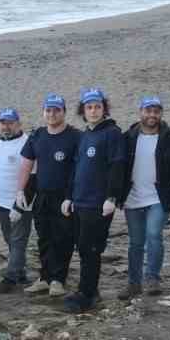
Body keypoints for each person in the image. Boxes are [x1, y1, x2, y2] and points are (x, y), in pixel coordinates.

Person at [62, 88, 128, 313]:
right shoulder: (85, 135)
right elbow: (76, 168)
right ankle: (89, 287)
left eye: (97, 107)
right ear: (83, 110)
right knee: (82, 246)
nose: (93, 111)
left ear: (104, 109)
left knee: (91, 248)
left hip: (98, 203)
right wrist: (69, 196)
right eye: (89, 107)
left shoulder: (112, 133)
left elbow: (117, 166)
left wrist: (112, 196)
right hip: (80, 201)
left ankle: (87, 294)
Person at [121, 95, 170, 298]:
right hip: (133, 197)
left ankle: (152, 277)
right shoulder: (128, 137)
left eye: (156, 111)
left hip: (159, 197)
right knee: (135, 242)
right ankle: (134, 282)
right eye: (148, 110)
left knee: (153, 236)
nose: (152, 115)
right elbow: (117, 167)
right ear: (141, 112)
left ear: (161, 114)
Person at [18, 94, 81, 296]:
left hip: (65, 196)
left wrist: (72, 196)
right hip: (42, 195)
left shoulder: (75, 136)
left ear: (64, 112)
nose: (52, 114)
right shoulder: (37, 135)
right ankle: (44, 277)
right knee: (44, 237)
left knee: (63, 238)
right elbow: (26, 165)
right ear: (44, 112)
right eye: (48, 110)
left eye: (56, 110)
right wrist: (20, 190)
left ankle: (58, 279)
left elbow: (79, 169)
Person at [0, 109, 34, 294]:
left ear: (18, 124)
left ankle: (10, 277)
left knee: (18, 240)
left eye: (10, 123)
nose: (6, 126)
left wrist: (22, 200)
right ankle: (20, 271)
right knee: (9, 239)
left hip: (21, 202)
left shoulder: (27, 143)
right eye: (3, 123)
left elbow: (32, 175)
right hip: (1, 202)